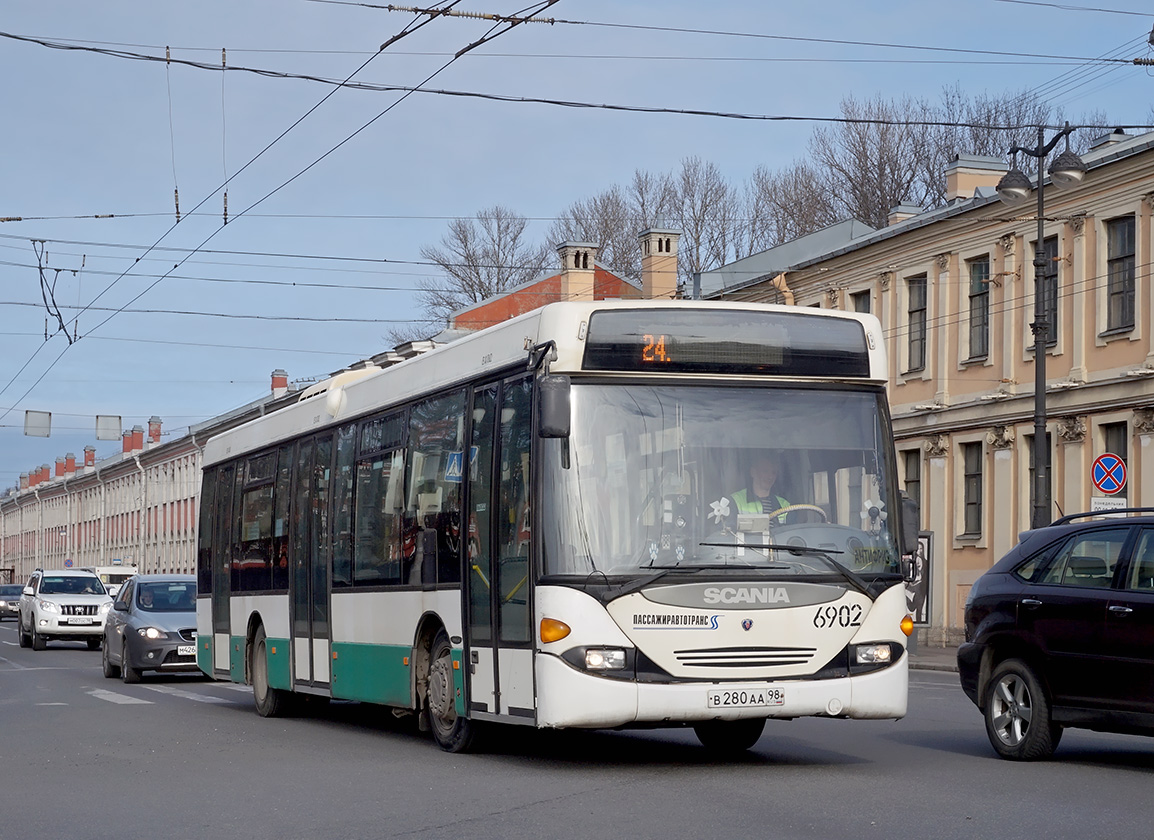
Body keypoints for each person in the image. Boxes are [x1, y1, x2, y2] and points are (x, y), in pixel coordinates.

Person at [730, 451, 792, 522]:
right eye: (765, 471)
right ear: (753, 472)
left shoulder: (784, 505)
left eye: (773, 472)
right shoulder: (736, 501)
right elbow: (728, 530)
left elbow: (793, 531)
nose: (770, 476)